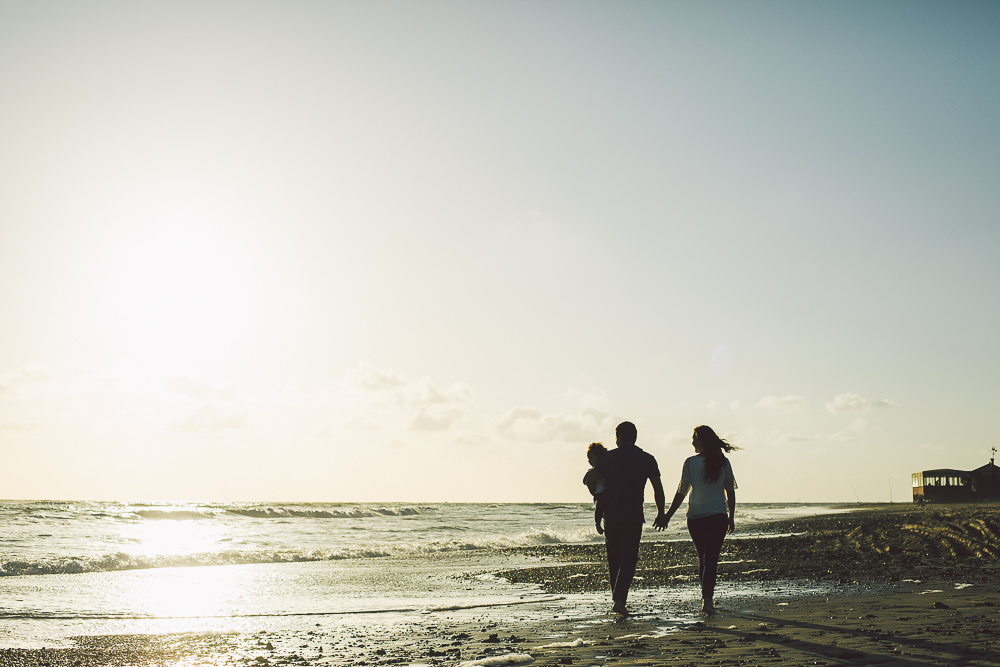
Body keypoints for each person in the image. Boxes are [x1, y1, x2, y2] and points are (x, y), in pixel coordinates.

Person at [659, 425, 739, 613]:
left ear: (701, 441)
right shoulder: (723, 462)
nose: (692, 441)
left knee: (703, 558)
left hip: (696, 517)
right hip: (718, 516)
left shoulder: (690, 463)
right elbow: (730, 491)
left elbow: (682, 492)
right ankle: (707, 601)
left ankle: (706, 599)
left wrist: (667, 516)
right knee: (710, 559)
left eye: (694, 438)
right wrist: (731, 516)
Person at [595, 421, 666, 615]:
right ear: (635, 437)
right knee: (629, 559)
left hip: (611, 516)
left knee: (614, 559)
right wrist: (661, 513)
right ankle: (619, 600)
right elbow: (657, 488)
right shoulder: (647, 458)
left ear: (618, 437)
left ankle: (618, 599)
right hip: (633, 516)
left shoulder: (607, 458)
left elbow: (595, 483)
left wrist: (598, 511)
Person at [582, 442, 608, 534]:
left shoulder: (604, 468)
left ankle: (598, 524)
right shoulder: (592, 470)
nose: (589, 461)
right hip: (598, 492)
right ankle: (597, 523)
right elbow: (584, 481)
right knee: (599, 507)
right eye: (588, 459)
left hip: (603, 492)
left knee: (600, 507)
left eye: (591, 458)